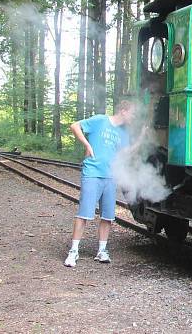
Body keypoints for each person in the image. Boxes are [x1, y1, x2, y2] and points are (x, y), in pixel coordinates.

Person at [63, 101, 134, 267]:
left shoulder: (124, 133)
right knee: (84, 214)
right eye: (133, 113)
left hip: (110, 176)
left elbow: (124, 153)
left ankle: (102, 250)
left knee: (107, 216)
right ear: (123, 111)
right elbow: (75, 126)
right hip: (93, 173)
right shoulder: (101, 120)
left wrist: (141, 139)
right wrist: (87, 144)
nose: (134, 117)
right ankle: (73, 251)